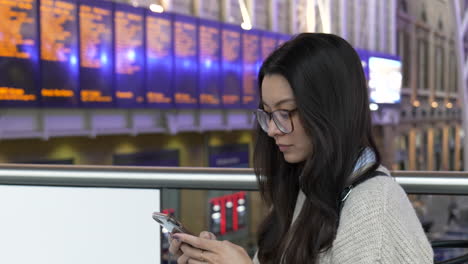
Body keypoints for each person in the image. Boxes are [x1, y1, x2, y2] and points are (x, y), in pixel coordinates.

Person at [169, 33, 433, 263]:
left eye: (285, 113)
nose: (272, 129)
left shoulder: (375, 209)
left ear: (330, 111)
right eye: (268, 113)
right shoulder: (308, 186)